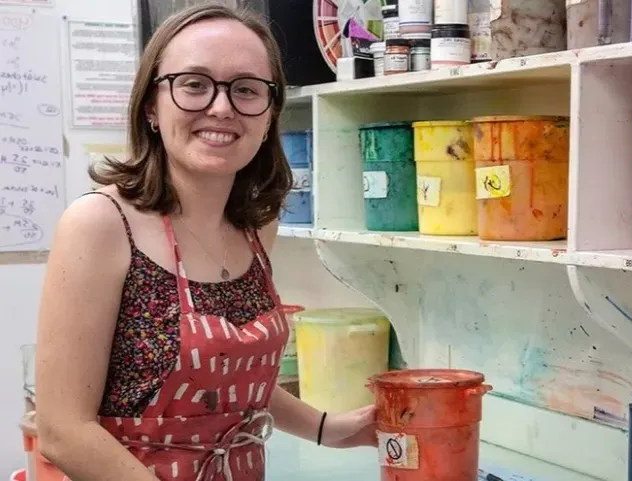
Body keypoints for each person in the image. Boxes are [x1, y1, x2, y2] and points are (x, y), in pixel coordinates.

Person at [34, 4, 376, 481]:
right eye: (194, 84)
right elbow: (63, 430)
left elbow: (227, 381)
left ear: (268, 112)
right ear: (152, 105)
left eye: (246, 89)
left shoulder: (256, 227)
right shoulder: (101, 224)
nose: (221, 107)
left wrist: (328, 428)